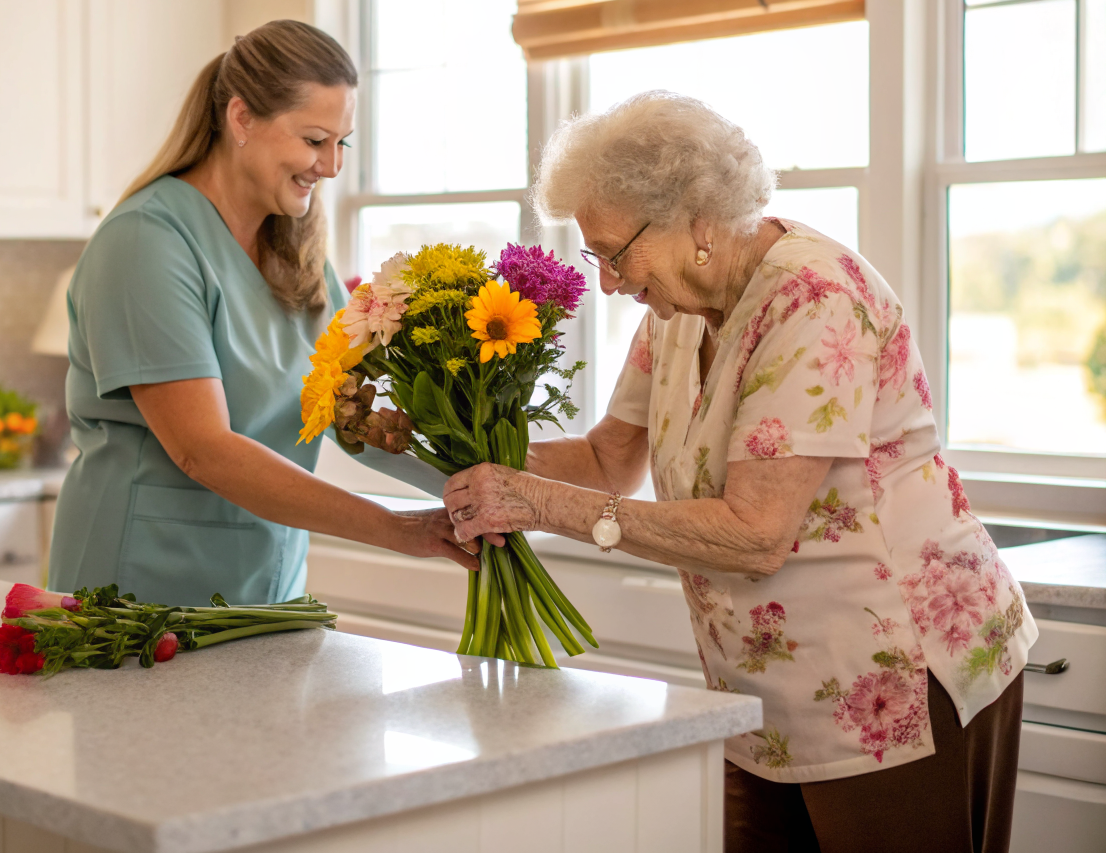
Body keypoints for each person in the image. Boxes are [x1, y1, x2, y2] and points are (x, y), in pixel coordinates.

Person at [443, 91, 1035, 853]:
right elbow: (603, 462)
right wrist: (450, 443)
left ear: (693, 219)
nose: (610, 283)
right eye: (597, 256)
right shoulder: (673, 314)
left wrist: (537, 505)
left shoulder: (812, 295)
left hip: (899, 669)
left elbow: (756, 533)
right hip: (764, 683)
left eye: (615, 253)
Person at [48, 19, 475, 608]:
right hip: (141, 583)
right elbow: (205, 449)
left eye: (341, 143)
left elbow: (356, 420)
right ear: (242, 118)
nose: (330, 167)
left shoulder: (299, 257)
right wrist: (402, 530)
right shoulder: (147, 242)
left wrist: (484, 476)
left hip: (266, 585)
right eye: (314, 139)